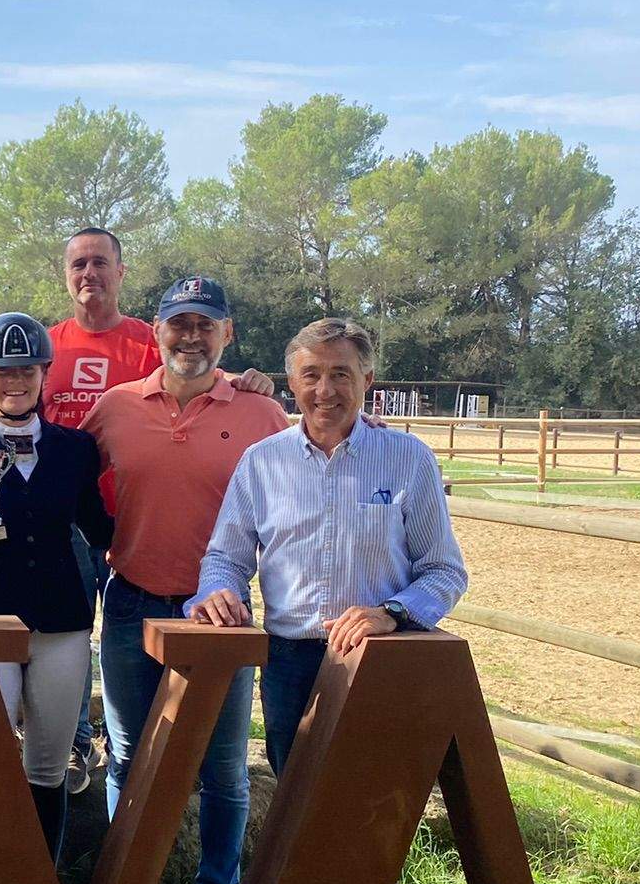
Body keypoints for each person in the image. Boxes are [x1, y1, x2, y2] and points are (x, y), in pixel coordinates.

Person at [83, 276, 288, 884]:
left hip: (219, 613)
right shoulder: (116, 407)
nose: (191, 337)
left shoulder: (260, 414)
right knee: (126, 755)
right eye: (179, 324)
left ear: (227, 334)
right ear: (158, 332)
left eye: (206, 325)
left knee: (224, 766)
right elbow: (59, 470)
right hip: (131, 600)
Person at [189, 318, 470, 779]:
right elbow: (225, 558)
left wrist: (392, 613)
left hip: (381, 658)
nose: (325, 390)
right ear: (292, 384)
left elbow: (444, 571)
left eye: (341, 374)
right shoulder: (261, 462)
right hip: (289, 663)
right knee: (291, 804)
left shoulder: (408, 459)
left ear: (368, 381)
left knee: (372, 802)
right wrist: (218, 590)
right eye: (311, 375)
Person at [0, 312, 112, 860]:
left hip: (61, 618)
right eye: (2, 372)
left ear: (43, 375)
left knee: (49, 761)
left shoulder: (75, 449)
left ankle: (43, 877)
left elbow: (101, 527)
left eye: (27, 371)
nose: (15, 382)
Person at [40, 227, 158, 797]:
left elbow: (198, 382)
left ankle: (126, 736)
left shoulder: (146, 343)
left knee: (124, 630)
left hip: (134, 516)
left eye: (100, 263)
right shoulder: (47, 343)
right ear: (67, 275)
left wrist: (250, 382)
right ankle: (78, 739)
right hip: (63, 516)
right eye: (79, 264)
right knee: (70, 625)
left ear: (120, 271)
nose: (90, 274)